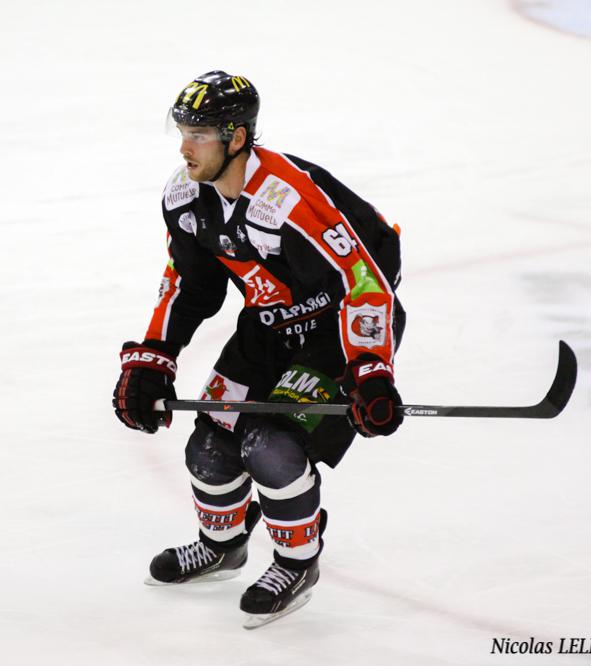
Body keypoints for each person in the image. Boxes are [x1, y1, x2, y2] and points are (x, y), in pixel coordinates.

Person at [112, 70, 406, 627]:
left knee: (271, 445)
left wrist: (369, 368)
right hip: (267, 330)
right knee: (211, 443)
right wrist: (154, 355)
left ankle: (298, 562)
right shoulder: (185, 197)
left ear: (237, 138)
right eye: (182, 131)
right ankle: (223, 546)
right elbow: (189, 284)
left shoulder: (286, 196)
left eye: (199, 134)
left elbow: (363, 277)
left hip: (333, 334)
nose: (184, 146)